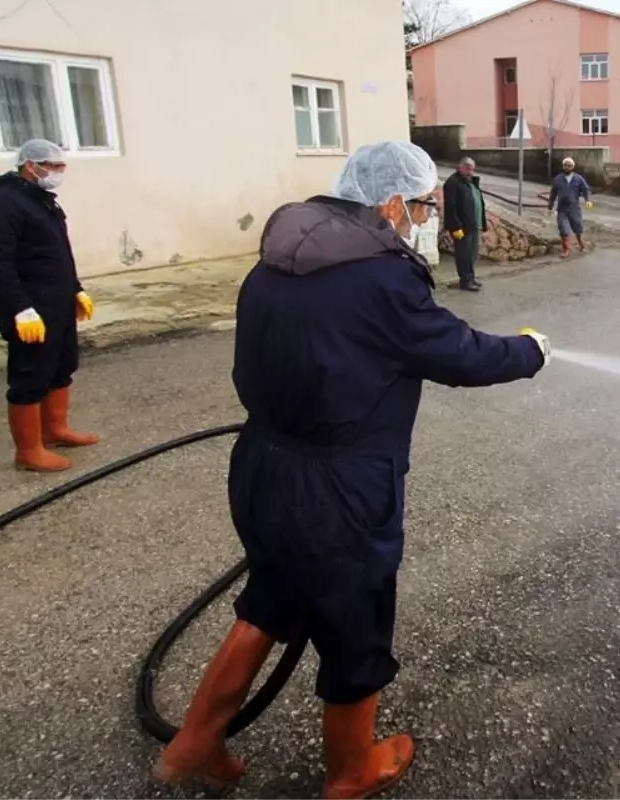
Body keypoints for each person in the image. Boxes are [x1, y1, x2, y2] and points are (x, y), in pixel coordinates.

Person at [153, 141, 551, 799]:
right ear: (391, 201)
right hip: (339, 490)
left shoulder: (276, 261)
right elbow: (458, 353)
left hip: (261, 466)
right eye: (423, 204)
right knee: (354, 627)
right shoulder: (380, 276)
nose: (424, 217)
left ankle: (193, 742)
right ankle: (351, 772)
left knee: (271, 600)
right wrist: (529, 351)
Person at [0, 138, 98, 473]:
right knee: (30, 375)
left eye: (61, 166)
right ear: (31, 165)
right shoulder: (2, 203)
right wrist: (20, 308)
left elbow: (58, 252)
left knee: (61, 366)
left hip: (57, 301)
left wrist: (76, 289)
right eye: (53, 166)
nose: (59, 172)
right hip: (30, 305)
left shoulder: (42, 201)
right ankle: (28, 451)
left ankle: (55, 430)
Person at [442, 156, 486, 292]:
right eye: (467, 169)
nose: (470, 172)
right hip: (461, 227)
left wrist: (482, 222)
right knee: (463, 255)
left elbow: (478, 202)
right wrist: (455, 227)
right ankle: (465, 281)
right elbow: (450, 206)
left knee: (472, 255)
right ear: (460, 167)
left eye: (472, 169)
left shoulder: (470, 182)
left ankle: (471, 278)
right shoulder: (452, 183)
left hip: (473, 225)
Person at [547, 157, 593, 258]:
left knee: (578, 227)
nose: (567, 167)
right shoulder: (558, 179)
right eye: (565, 165)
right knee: (563, 229)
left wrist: (588, 200)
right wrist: (549, 207)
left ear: (573, 167)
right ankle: (565, 250)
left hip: (574, 208)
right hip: (562, 209)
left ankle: (581, 243)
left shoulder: (578, 179)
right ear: (563, 166)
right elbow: (553, 194)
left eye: (569, 165)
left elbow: (586, 190)